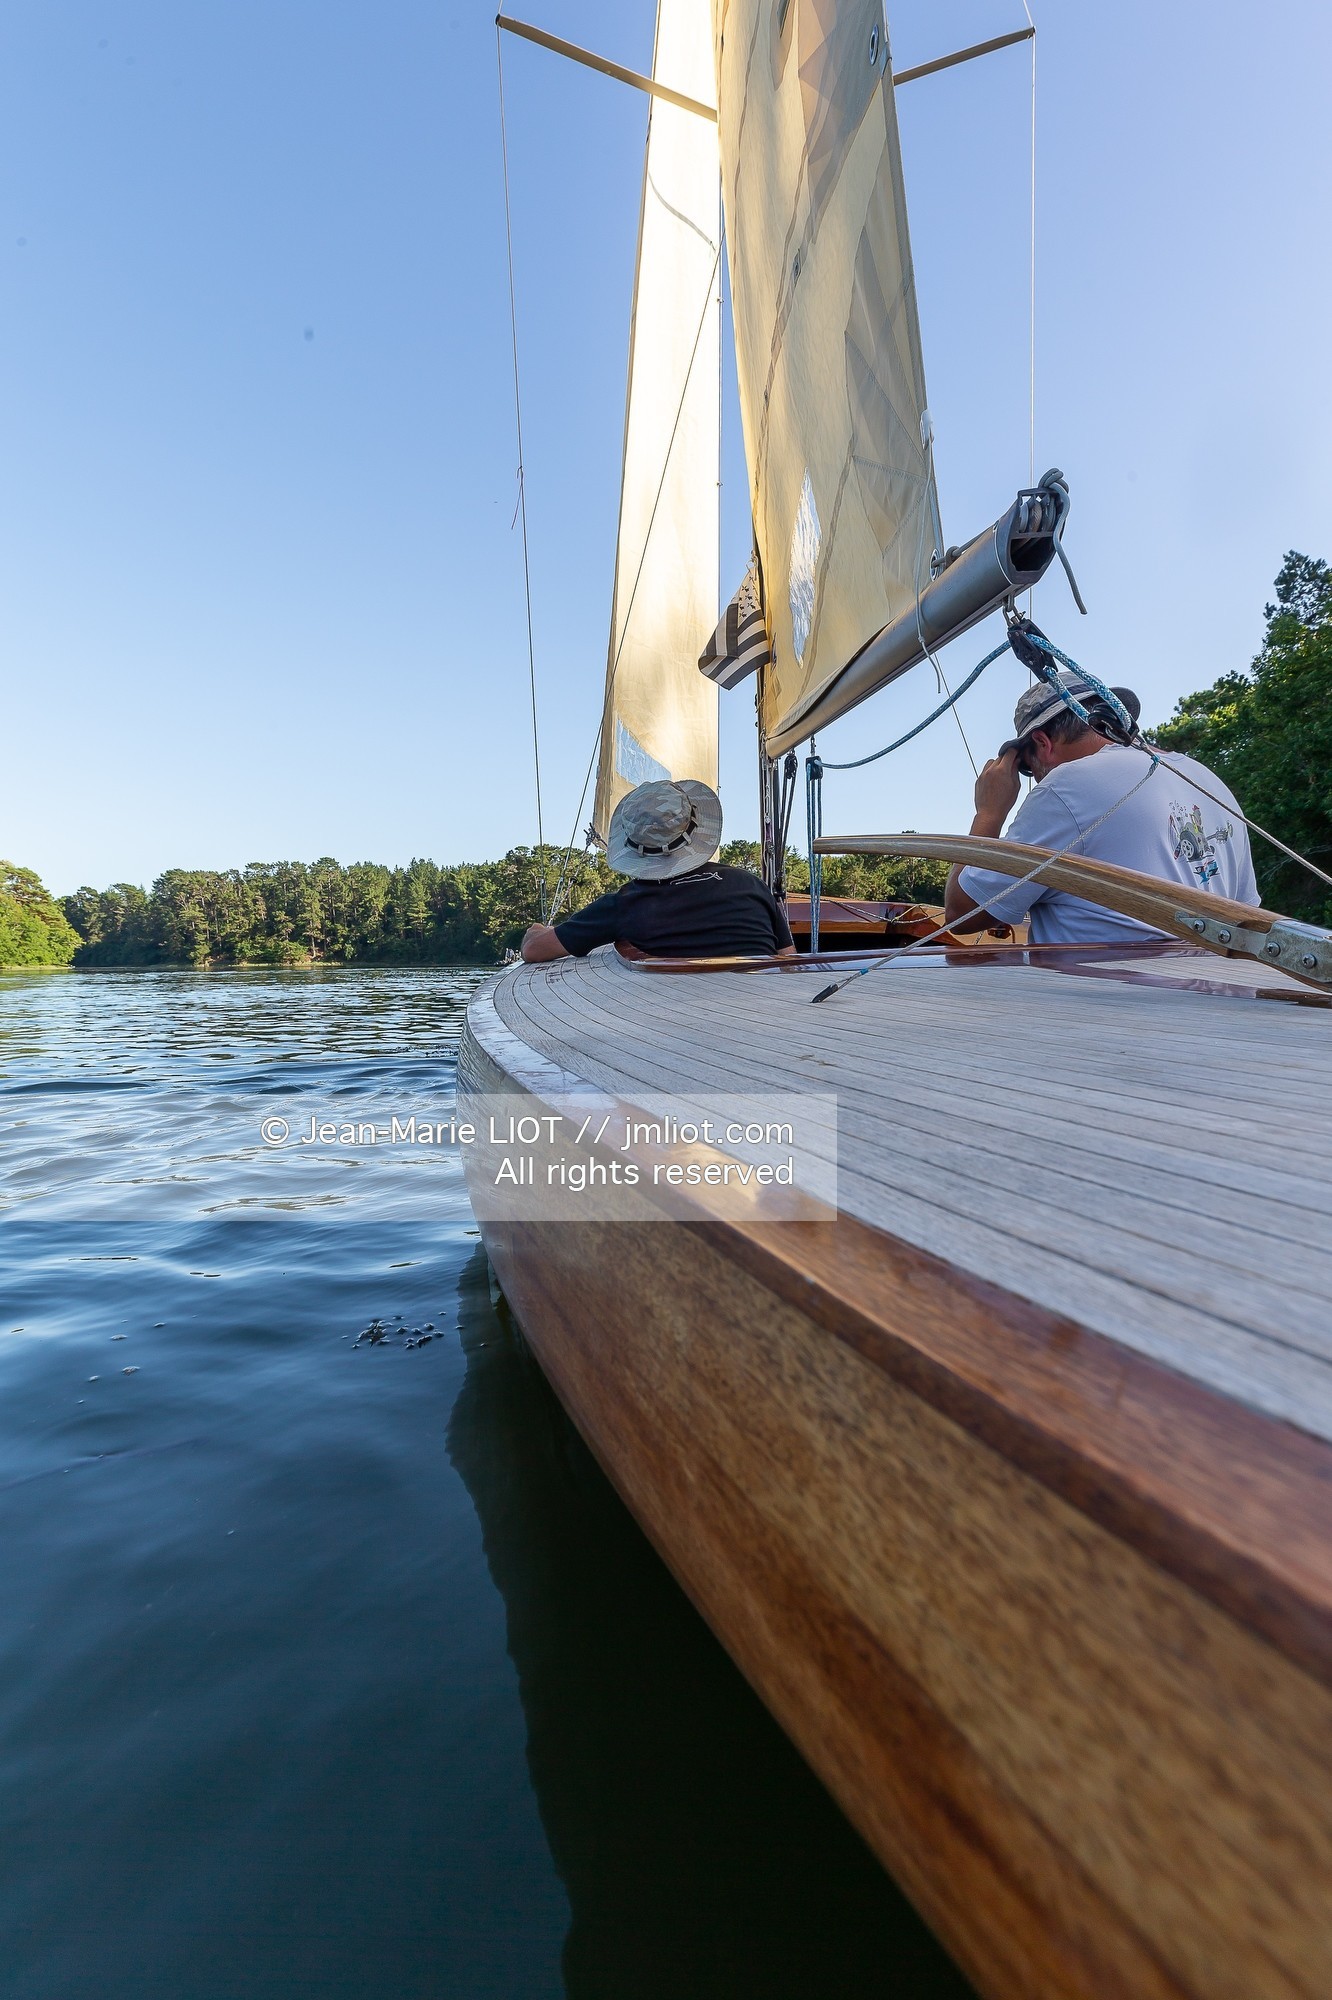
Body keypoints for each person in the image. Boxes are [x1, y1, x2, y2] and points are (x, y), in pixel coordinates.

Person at [943, 670, 1259, 946]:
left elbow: (962, 914)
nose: (1035, 779)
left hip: (1107, 1009)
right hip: (1214, 1001)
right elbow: (1246, 913)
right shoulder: (1208, 781)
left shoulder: (1065, 787)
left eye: (1027, 767)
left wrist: (988, 813)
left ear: (1042, 743)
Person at [521, 779, 795, 962]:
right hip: (764, 1012)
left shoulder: (624, 905)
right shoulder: (750, 885)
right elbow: (788, 962)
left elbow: (533, 950)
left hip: (686, 1024)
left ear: (633, 846)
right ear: (697, 828)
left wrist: (536, 930)